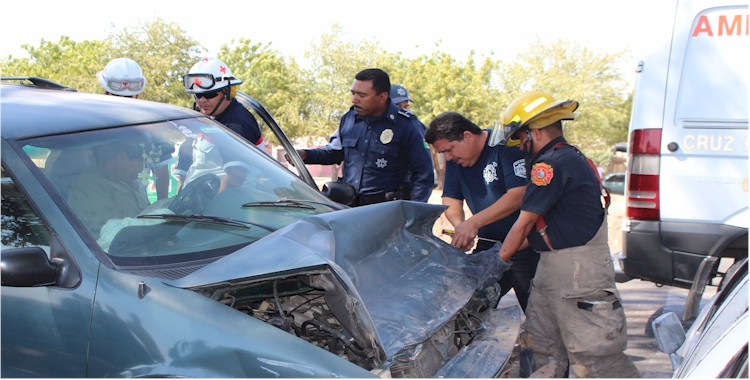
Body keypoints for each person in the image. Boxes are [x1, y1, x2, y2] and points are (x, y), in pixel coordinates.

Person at [492, 92, 639, 378]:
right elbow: (539, 231)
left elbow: (523, 223)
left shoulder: (548, 167)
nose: (520, 147)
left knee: (595, 359)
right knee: (542, 351)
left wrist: (496, 263)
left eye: (521, 138)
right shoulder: (570, 158)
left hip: (578, 275)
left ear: (534, 132)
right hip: (554, 269)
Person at [425, 111, 538, 311]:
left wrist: (474, 222)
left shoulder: (505, 146)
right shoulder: (455, 160)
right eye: (444, 153)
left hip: (525, 245)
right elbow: (450, 198)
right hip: (488, 248)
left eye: (449, 150)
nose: (448, 157)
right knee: (469, 307)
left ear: (467, 136)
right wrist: (461, 227)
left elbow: (519, 194)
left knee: (538, 314)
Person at [297, 68, 434, 206]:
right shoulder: (349, 120)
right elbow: (335, 152)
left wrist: (415, 212)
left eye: (362, 95)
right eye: (353, 93)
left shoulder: (406, 125)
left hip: (388, 211)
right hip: (349, 208)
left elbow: (424, 174)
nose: (354, 100)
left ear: (382, 97)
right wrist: (306, 155)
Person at [176, 58, 266, 191]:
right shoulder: (202, 116)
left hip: (225, 204)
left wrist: (212, 206)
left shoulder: (237, 123)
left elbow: (234, 178)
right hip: (198, 198)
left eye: (210, 94)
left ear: (228, 92)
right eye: (197, 95)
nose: (202, 100)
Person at [67, 139, 151, 237]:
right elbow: (109, 226)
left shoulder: (135, 183)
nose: (146, 166)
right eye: (142, 161)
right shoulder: (89, 184)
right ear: (122, 158)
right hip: (111, 249)